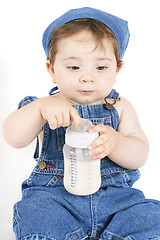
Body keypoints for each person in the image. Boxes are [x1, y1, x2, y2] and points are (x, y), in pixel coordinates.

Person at [3, 7, 160, 240]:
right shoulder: (42, 107)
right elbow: (13, 137)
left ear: (116, 70)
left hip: (117, 200)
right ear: (52, 69)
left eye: (101, 67)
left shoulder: (119, 106)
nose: (87, 77)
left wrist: (117, 144)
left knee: (150, 219)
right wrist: (40, 108)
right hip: (55, 197)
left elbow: (140, 154)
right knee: (37, 215)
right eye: (74, 67)